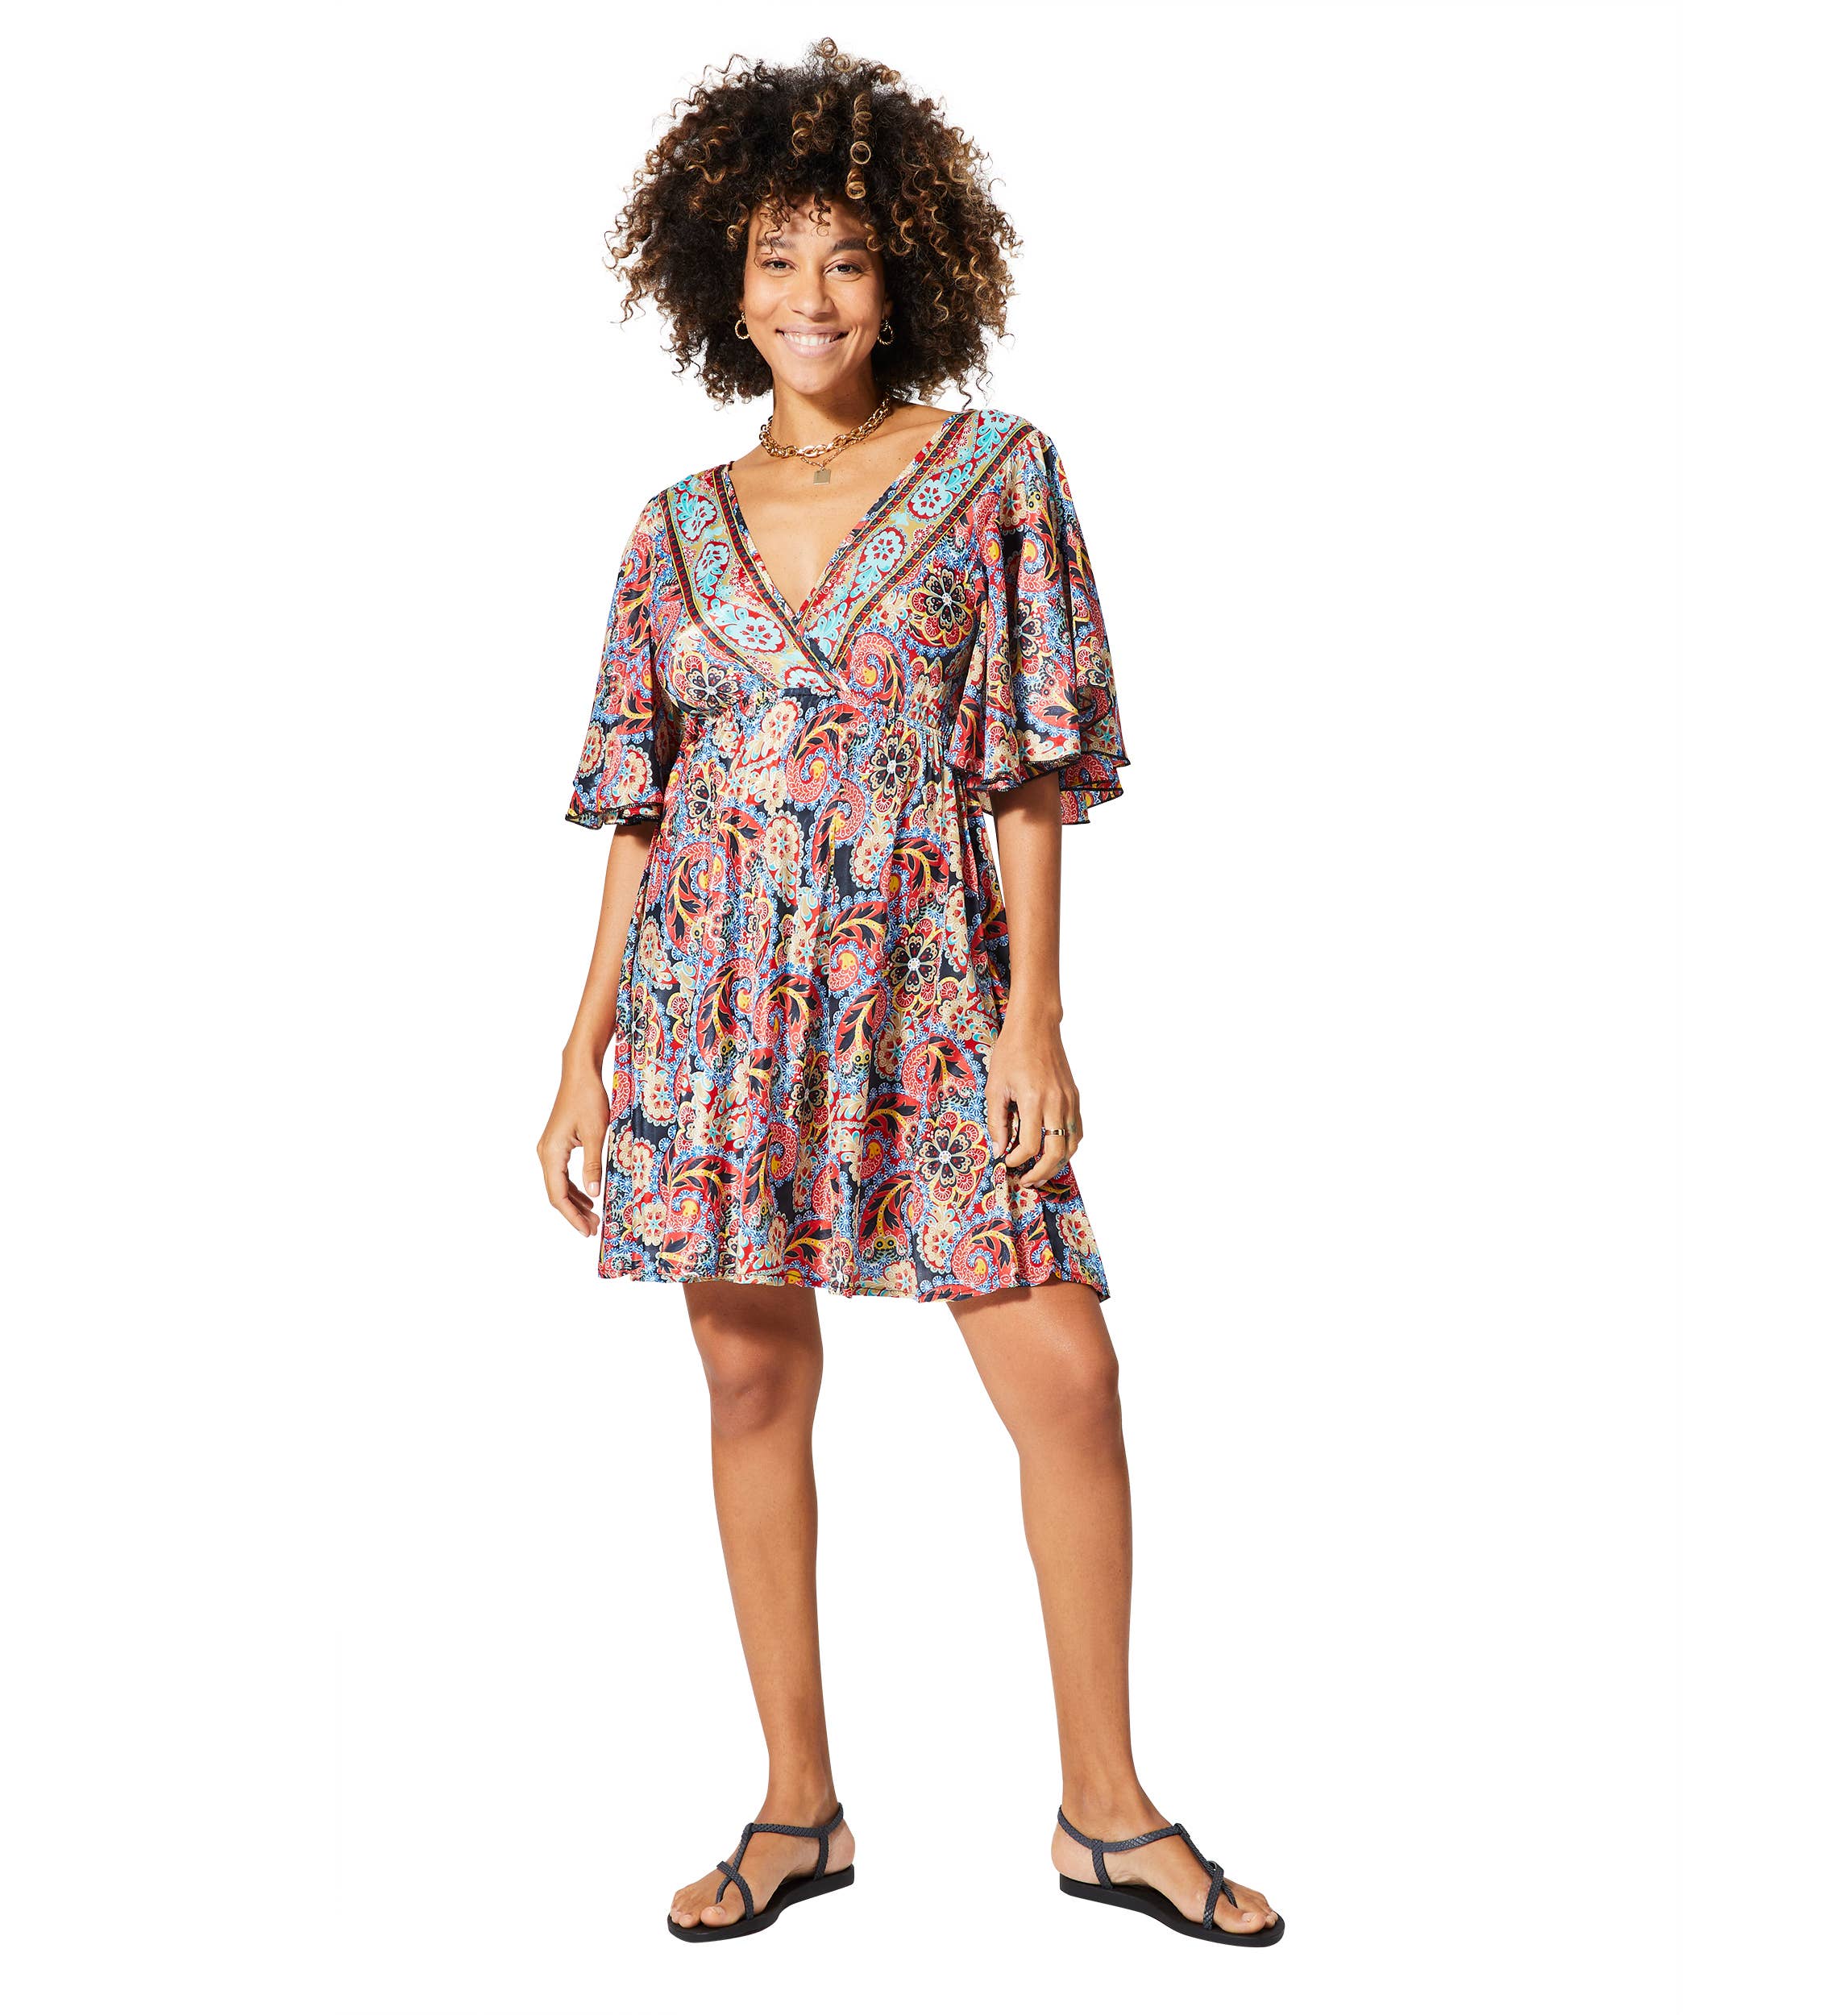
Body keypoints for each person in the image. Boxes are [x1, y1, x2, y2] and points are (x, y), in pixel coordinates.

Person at [537, 37, 1282, 1948]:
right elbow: (639, 806)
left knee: (1066, 1371)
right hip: (711, 1002)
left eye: (847, 259)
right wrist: (580, 1049)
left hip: (929, 987)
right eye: (776, 258)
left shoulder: (992, 476)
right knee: (748, 1370)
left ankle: (1105, 1808)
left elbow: (1029, 765)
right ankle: (796, 1805)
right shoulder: (667, 528)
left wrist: (1034, 1018)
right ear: (723, 279)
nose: (810, 295)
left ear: (904, 277)